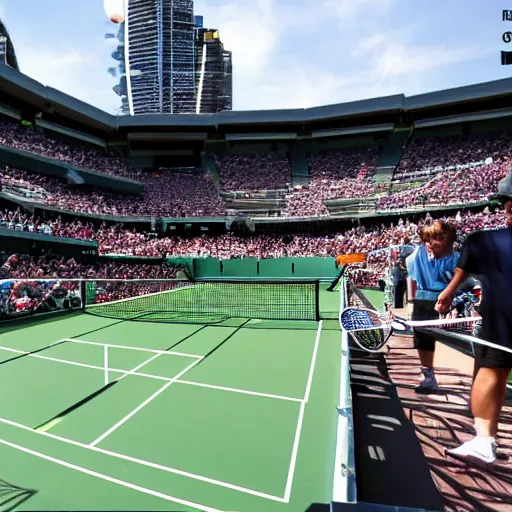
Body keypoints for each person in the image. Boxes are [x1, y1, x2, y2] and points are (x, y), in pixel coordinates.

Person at [435, 172, 512, 464]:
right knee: (498, 377)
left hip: (502, 327)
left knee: (488, 377)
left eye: (507, 202)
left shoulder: (484, 242)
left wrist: (448, 292)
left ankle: (484, 441)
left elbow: (468, 259)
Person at [406, 220, 460, 393]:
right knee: (423, 340)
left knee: (462, 340)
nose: (429, 243)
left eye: (435, 239)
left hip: (449, 302)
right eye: (427, 240)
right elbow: (409, 267)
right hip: (424, 302)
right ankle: (429, 378)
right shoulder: (419, 252)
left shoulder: (456, 258)